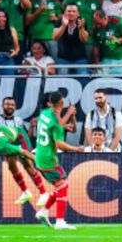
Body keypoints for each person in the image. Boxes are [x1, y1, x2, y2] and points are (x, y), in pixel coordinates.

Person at [32, 91, 85, 230]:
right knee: (63, 185)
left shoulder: (44, 113)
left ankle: (43, 212)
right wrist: (76, 149)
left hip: (40, 156)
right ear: (61, 103)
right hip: (48, 158)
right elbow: (59, 144)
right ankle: (59, 221)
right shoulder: (56, 123)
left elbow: (58, 123)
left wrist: (69, 116)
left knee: (61, 185)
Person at [0, 122, 49, 210]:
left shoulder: (1, 146)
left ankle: (44, 193)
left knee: (28, 166)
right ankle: (26, 192)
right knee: (11, 167)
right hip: (6, 138)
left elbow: (25, 152)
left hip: (19, 137)